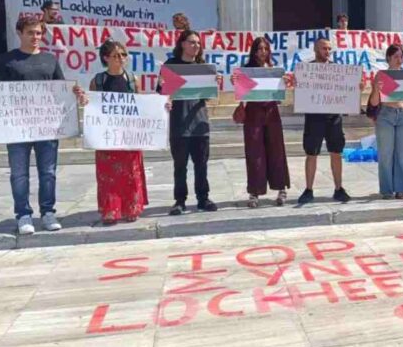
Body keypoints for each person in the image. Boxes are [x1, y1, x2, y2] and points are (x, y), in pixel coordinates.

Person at [0, 16, 84, 235]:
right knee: (19, 173)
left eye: (39, 33)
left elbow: (60, 88)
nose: (36, 37)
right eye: (31, 33)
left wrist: (74, 92)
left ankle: (48, 212)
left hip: (47, 127)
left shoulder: (50, 59)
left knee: (49, 172)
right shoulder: (7, 60)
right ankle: (23, 214)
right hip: (16, 127)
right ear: (19, 33)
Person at [89, 39, 150, 224]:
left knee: (131, 172)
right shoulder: (98, 81)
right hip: (107, 135)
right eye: (116, 55)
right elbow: (93, 106)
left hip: (129, 133)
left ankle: (131, 208)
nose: (121, 59)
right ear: (106, 58)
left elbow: (140, 104)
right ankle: (110, 211)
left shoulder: (132, 79)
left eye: (124, 55)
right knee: (108, 175)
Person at [158, 30, 218, 215]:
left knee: (202, 165)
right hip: (179, 123)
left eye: (198, 43)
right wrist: (162, 86)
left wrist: (215, 83)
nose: (196, 46)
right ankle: (180, 201)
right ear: (182, 44)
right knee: (180, 166)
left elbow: (207, 96)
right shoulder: (171, 66)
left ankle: (203, 198)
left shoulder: (203, 67)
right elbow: (161, 93)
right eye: (192, 42)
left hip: (199, 122)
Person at [232, 37, 291, 208]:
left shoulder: (274, 70)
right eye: (259, 49)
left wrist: (284, 84)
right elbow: (241, 93)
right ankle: (254, 192)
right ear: (254, 51)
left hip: (272, 113)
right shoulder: (247, 70)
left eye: (266, 48)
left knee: (277, 150)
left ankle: (281, 189)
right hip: (253, 114)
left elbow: (278, 96)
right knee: (254, 152)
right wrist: (236, 82)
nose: (263, 52)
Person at [297, 38, 354, 205]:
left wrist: (356, 88)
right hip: (314, 117)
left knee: (336, 152)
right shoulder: (307, 70)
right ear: (315, 50)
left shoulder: (338, 70)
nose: (327, 52)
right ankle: (308, 189)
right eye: (324, 48)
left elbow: (346, 90)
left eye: (329, 49)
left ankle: (338, 188)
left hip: (333, 116)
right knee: (311, 153)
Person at [368, 44, 403, 199]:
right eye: (396, 57)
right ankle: (387, 190)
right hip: (386, 115)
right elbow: (374, 103)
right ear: (388, 58)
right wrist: (376, 89)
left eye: (401, 57)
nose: (399, 60)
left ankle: (401, 190)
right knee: (386, 154)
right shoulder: (381, 75)